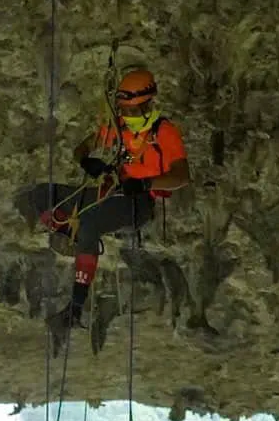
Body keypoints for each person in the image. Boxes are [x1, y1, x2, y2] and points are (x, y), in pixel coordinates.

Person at [15, 66, 192, 327]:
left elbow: (181, 176)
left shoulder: (164, 132)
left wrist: (145, 183)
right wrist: (89, 162)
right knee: (41, 194)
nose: (128, 115)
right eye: (124, 110)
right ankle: (67, 233)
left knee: (89, 224)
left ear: (147, 105)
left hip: (137, 202)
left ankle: (75, 306)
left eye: (133, 111)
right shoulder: (119, 128)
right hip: (109, 190)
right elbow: (82, 147)